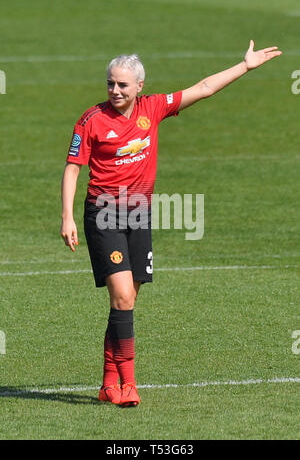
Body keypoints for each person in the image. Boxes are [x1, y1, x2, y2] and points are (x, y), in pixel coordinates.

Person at [60, 41, 281, 407]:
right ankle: (128, 384)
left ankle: (107, 382)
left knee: (125, 303)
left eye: (123, 85)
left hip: (140, 215)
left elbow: (204, 87)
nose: (115, 91)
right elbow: (72, 168)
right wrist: (67, 216)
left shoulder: (153, 108)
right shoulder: (91, 120)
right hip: (103, 215)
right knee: (123, 296)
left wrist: (245, 66)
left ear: (139, 87)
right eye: (111, 84)